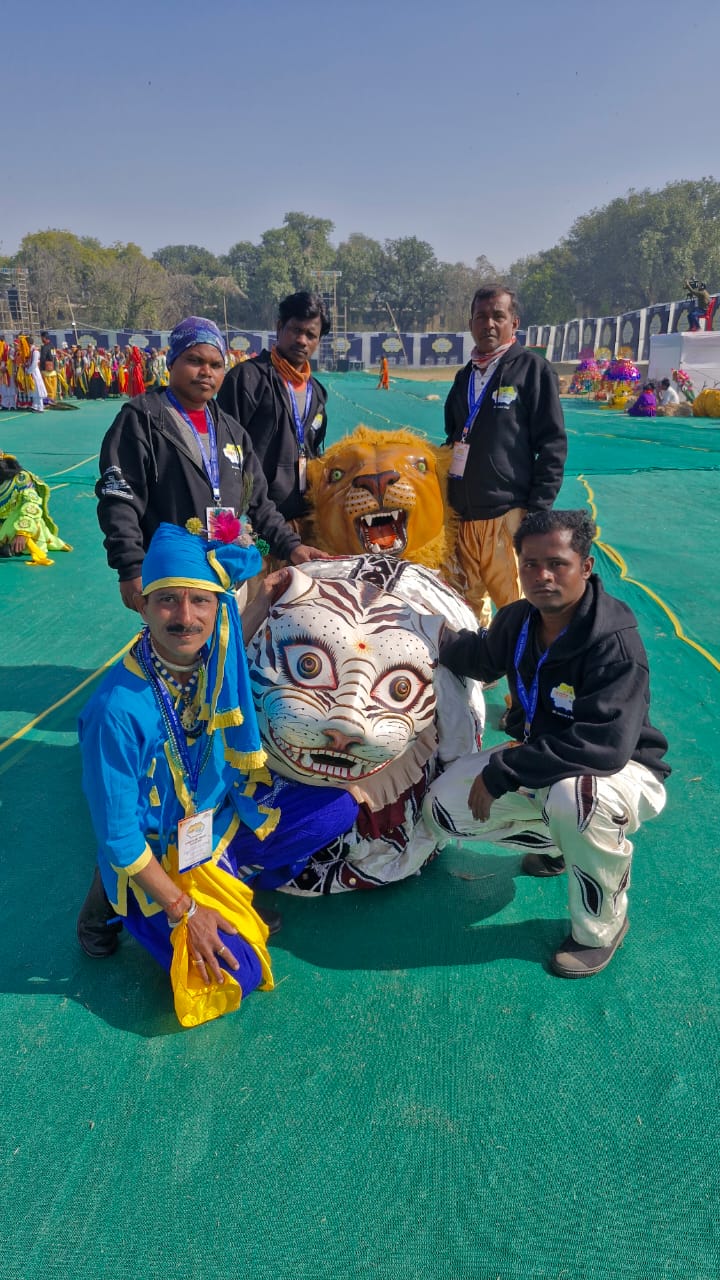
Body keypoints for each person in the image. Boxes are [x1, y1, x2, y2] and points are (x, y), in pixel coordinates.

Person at [76, 523, 357, 1025]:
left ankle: (231, 888)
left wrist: (266, 594)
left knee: (335, 806)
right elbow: (119, 837)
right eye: (168, 602)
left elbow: (235, 627)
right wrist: (187, 911)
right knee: (235, 977)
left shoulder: (210, 657)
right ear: (142, 605)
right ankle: (114, 904)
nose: (186, 618)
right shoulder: (116, 710)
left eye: (199, 602)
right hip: (155, 857)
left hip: (214, 827)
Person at [422, 509, 669, 978]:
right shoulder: (519, 619)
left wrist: (505, 772)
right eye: (530, 564)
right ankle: (562, 845)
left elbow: (605, 745)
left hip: (621, 771)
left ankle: (601, 928)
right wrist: (426, 635)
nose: (542, 576)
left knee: (576, 799)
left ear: (587, 567)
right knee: (443, 807)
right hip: (547, 761)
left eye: (557, 563)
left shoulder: (612, 640)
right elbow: (481, 657)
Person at [96, 315, 327, 612]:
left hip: (225, 571)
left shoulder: (231, 430)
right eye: (194, 360)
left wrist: (292, 546)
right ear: (172, 362)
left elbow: (259, 502)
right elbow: (120, 498)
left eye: (216, 365)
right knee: (178, 654)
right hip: (171, 573)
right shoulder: (142, 420)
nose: (206, 372)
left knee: (225, 649)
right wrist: (130, 567)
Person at [443, 285, 567, 623]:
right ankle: (476, 676)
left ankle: (526, 675)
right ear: (471, 324)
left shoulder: (532, 370)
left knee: (520, 614)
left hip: (507, 518)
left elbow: (553, 446)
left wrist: (537, 514)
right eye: (481, 317)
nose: (489, 324)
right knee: (463, 615)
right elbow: (454, 438)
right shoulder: (464, 377)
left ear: (515, 322)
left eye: (498, 316)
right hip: (463, 520)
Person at [216, 291, 329, 524]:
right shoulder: (247, 378)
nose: (302, 340)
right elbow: (223, 449)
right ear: (279, 327)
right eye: (296, 330)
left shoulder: (316, 393)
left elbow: (313, 449)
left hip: (302, 517)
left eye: (311, 335)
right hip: (255, 516)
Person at [0, 451, 72, 563]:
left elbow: (31, 505)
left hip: (18, 523)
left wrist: (22, 532)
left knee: (31, 530)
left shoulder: (21, 479)